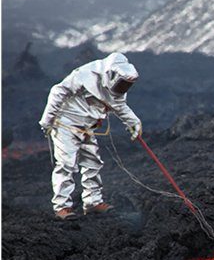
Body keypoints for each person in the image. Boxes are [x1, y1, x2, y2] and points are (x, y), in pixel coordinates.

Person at [39, 52, 143, 220]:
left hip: (87, 127)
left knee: (93, 162)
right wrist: (47, 120)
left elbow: (119, 105)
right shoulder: (86, 74)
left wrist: (133, 122)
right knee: (66, 164)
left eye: (126, 85)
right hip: (66, 124)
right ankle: (62, 207)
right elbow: (58, 91)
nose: (122, 88)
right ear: (111, 75)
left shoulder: (119, 87)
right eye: (121, 84)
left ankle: (93, 202)